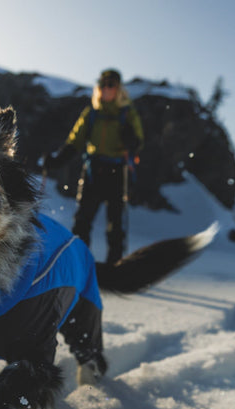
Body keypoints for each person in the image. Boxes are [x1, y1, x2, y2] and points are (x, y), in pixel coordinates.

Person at [44, 69, 144, 264]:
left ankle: (115, 267)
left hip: (116, 171)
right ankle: (80, 264)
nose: (106, 88)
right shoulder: (92, 113)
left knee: (116, 224)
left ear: (118, 89)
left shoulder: (127, 114)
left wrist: (131, 139)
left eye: (111, 85)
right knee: (82, 221)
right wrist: (57, 160)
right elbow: (75, 140)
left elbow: (138, 141)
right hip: (93, 171)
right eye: (103, 84)